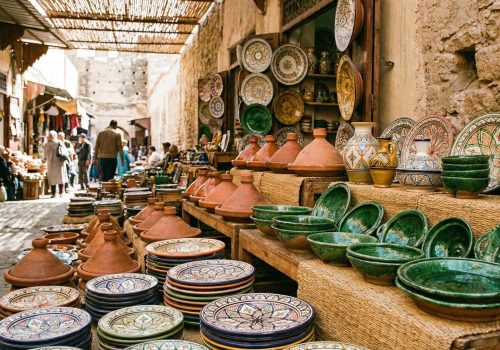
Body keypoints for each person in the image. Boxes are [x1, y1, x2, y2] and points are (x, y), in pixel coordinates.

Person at [44, 130, 67, 198]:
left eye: (50, 135)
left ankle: (57, 193)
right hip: (56, 163)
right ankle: (57, 193)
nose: (49, 136)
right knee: (57, 178)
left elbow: (45, 154)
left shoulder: (49, 144)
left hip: (55, 163)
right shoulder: (57, 142)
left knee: (55, 178)